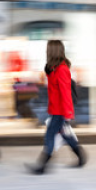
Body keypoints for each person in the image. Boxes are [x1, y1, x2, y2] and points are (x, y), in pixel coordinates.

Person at [26, 40, 87, 174]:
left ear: (52, 51)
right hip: (56, 109)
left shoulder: (62, 69)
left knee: (49, 135)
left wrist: (68, 113)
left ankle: (42, 165)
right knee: (65, 135)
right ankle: (81, 156)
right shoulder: (53, 68)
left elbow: (65, 92)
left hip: (61, 110)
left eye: (47, 49)